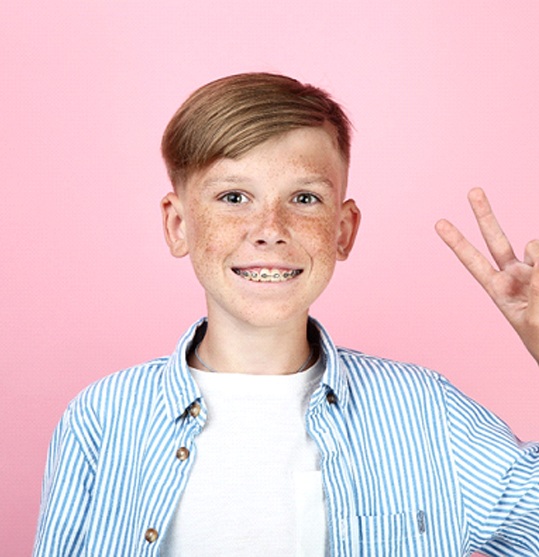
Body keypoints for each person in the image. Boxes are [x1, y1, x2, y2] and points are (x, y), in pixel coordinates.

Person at [33, 73, 539, 556]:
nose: (270, 228)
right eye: (234, 197)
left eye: (304, 198)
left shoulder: (431, 415)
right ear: (177, 224)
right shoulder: (100, 419)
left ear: (343, 229)